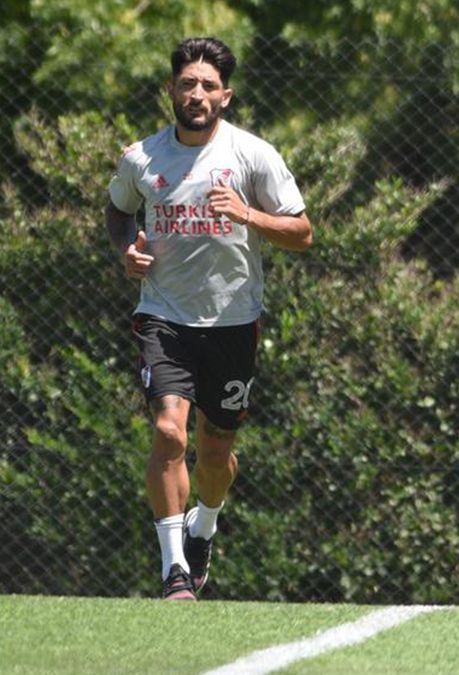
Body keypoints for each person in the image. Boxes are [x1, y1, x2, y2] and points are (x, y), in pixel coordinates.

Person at [105, 37, 312, 600]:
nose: (197, 94)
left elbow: (302, 232)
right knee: (169, 431)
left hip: (232, 321)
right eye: (187, 83)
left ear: (226, 95)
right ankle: (175, 569)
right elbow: (119, 209)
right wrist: (127, 250)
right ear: (171, 90)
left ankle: (205, 525)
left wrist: (247, 213)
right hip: (163, 315)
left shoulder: (253, 156)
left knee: (216, 452)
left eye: (208, 86)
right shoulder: (140, 157)